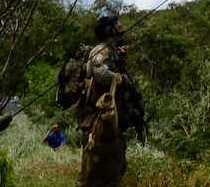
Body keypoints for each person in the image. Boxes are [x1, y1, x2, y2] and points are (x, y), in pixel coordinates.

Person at [57, 13, 145, 187]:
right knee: (91, 167)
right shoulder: (101, 51)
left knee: (115, 165)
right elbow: (101, 75)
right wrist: (122, 79)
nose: (120, 25)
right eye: (116, 23)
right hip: (95, 120)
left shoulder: (112, 51)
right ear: (108, 30)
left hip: (108, 120)